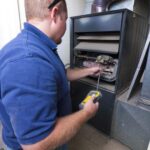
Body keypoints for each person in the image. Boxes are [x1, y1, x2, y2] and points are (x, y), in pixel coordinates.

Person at [0, 0, 101, 149]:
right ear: (55, 13)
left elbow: (61, 74)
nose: (66, 25)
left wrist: (89, 71)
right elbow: (36, 145)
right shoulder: (29, 62)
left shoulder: (39, 46)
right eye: (65, 19)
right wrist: (86, 114)